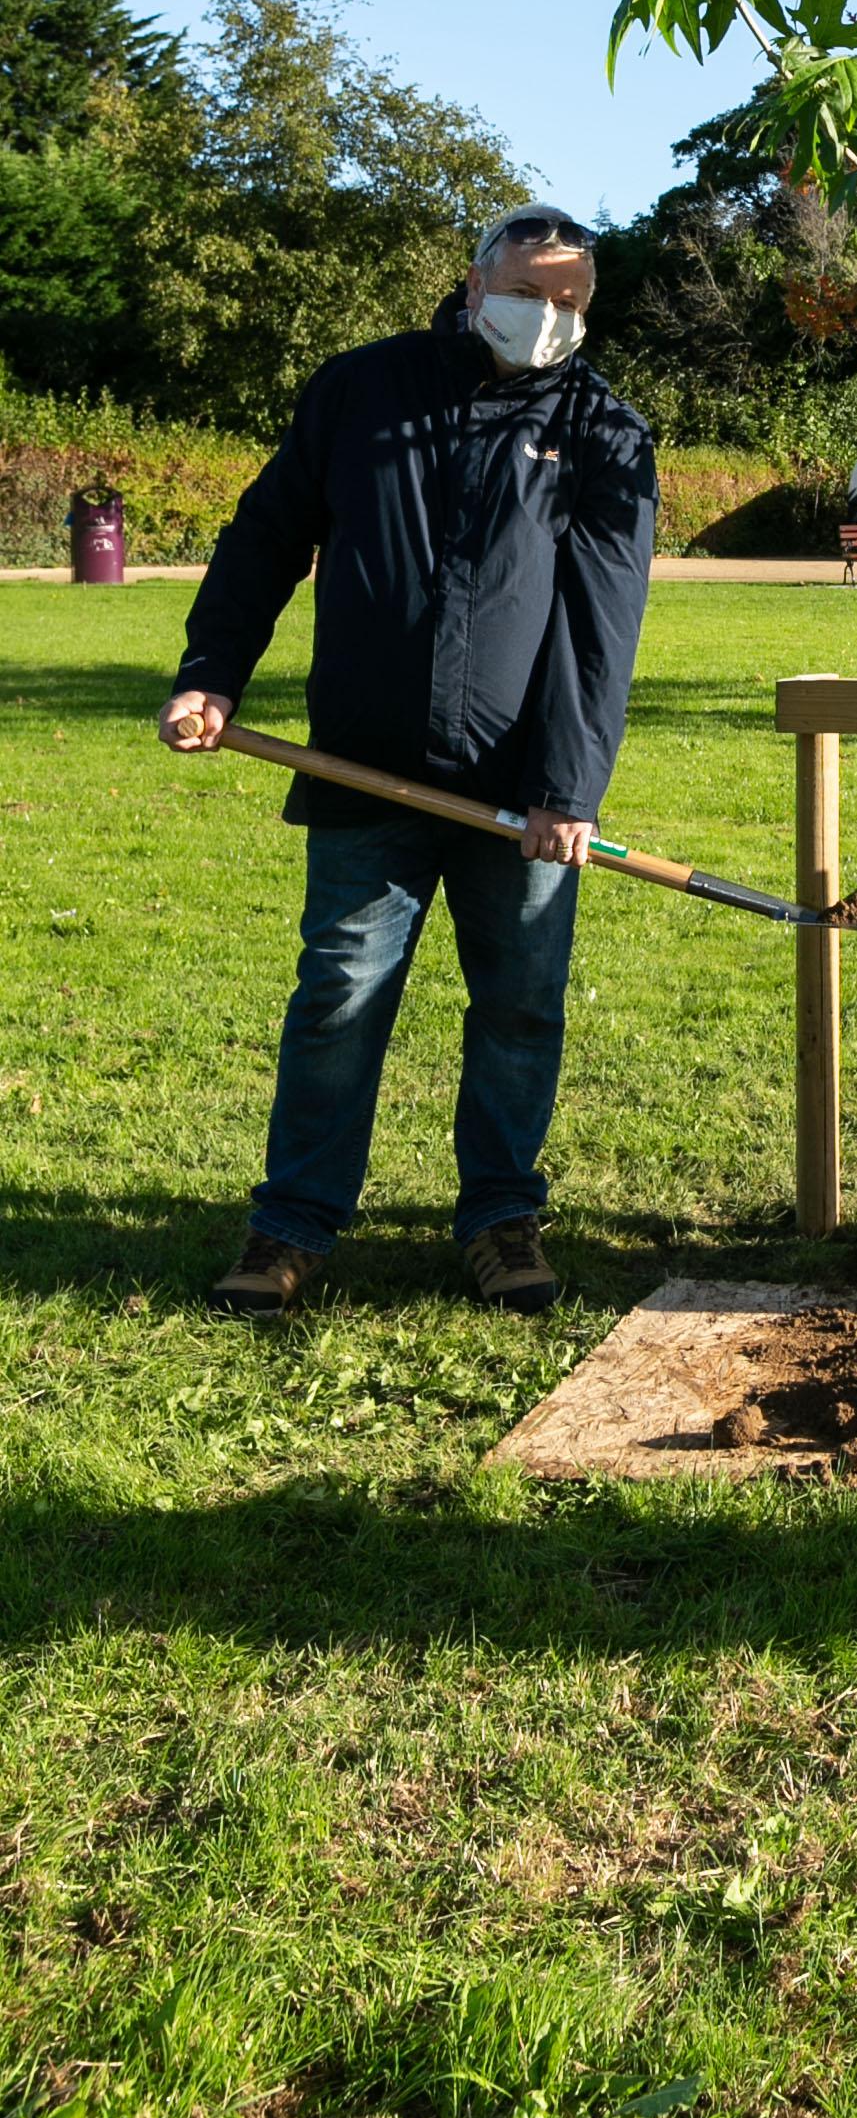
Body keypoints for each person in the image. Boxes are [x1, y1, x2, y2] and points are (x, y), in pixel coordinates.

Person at [158, 205, 658, 1320]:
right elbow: (265, 538)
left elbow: (600, 629)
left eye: (571, 302)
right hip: (362, 771)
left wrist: (568, 790)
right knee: (339, 995)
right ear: (476, 285)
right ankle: (290, 1227)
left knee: (521, 1006)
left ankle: (501, 1220)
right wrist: (212, 671)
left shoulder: (607, 434)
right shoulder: (362, 393)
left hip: (519, 791)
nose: (548, 318)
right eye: (531, 293)